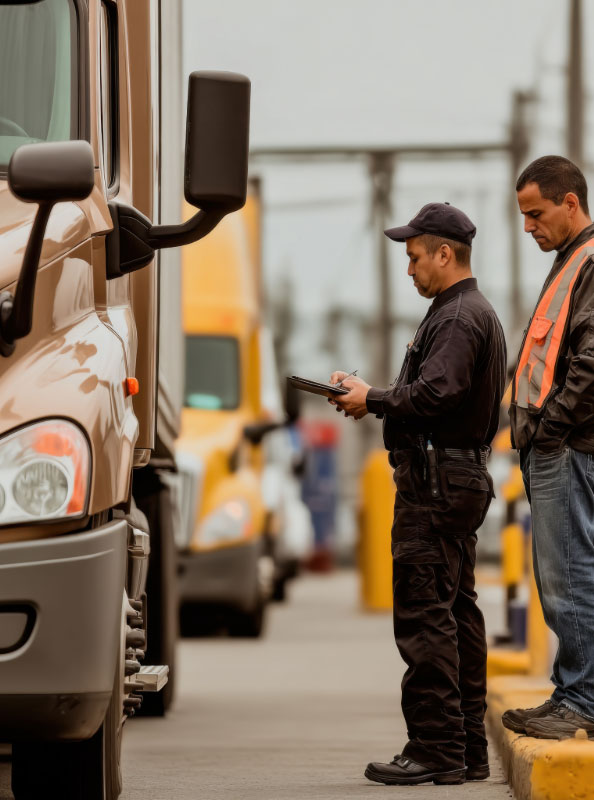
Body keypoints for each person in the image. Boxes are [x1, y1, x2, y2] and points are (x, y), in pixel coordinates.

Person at [330, 202, 506, 786]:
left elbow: (436, 394)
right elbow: (436, 395)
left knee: (426, 613)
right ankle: (466, 748)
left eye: (414, 257)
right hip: (453, 478)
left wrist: (374, 397)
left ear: (444, 254)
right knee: (455, 612)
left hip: (434, 484)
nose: (410, 270)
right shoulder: (465, 312)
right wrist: (371, 398)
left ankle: (435, 748)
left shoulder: (456, 318)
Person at [502, 155, 594, 739]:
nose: (529, 226)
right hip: (558, 445)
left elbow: (590, 363)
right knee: (567, 574)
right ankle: (574, 693)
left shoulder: (588, 261)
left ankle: (580, 704)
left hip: (567, 446)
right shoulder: (571, 261)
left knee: (569, 577)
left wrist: (551, 429)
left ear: (570, 202)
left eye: (536, 214)